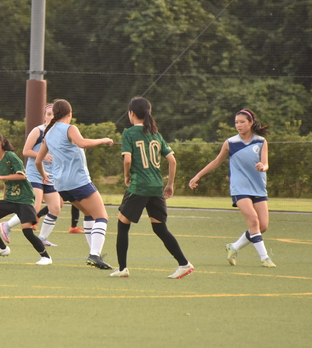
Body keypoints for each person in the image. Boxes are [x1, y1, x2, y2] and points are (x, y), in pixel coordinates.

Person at [112, 97, 194, 279]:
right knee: (160, 228)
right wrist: (170, 184)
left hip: (139, 186)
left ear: (131, 114)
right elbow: (172, 160)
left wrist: (126, 176)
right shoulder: (156, 134)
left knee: (122, 224)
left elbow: (127, 159)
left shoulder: (128, 134)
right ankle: (184, 263)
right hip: (157, 187)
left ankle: (122, 268)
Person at [189, 109, 276, 268]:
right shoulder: (230, 143)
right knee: (253, 221)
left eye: (242, 122)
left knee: (262, 226)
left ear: (250, 123)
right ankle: (265, 258)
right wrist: (198, 176)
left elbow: (266, 163)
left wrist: (263, 167)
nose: (239, 125)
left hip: (258, 188)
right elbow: (216, 162)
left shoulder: (261, 142)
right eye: (236, 122)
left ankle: (234, 247)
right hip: (240, 188)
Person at [35, 99, 114, 270]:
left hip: (61, 185)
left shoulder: (48, 133)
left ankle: (95, 254)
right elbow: (83, 143)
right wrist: (104, 140)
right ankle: (94, 254)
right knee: (102, 217)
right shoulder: (70, 128)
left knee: (88, 214)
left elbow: (38, 160)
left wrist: (44, 175)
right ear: (70, 114)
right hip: (78, 181)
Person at [0, 130, 52, 266]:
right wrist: (4, 197)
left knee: (27, 231)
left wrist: (1, 177)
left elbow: (22, 176)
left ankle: (46, 257)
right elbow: (7, 182)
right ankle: (2, 248)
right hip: (10, 199)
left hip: (24, 199)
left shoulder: (10, 156)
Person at [0, 104, 60, 247]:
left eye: (54, 114)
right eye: (49, 114)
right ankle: (7, 225)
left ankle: (42, 237)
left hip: (50, 176)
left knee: (55, 207)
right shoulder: (38, 131)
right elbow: (26, 151)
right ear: (45, 116)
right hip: (35, 174)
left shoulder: (59, 134)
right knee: (35, 208)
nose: (51, 117)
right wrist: (42, 156)